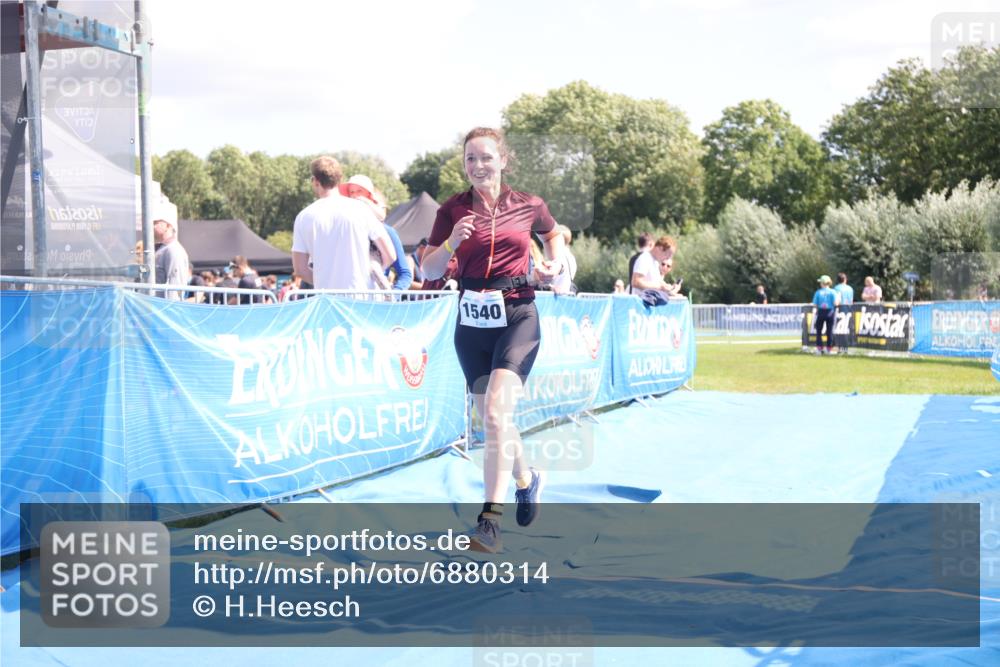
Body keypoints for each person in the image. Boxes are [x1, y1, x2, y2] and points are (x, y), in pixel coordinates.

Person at [421, 127, 564, 553]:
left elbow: (552, 233)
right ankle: (526, 477)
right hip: (471, 320)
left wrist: (554, 263)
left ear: (503, 160)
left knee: (499, 414)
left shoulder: (528, 205)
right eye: (470, 159)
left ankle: (489, 521)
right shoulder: (451, 210)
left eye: (486, 157)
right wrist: (450, 243)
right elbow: (429, 269)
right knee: (494, 421)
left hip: (518, 311)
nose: (478, 166)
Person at [291, 157, 396, 290]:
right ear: (339, 180)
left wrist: (324, 283)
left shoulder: (303, 217)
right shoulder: (361, 209)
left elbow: (300, 269)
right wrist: (370, 275)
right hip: (362, 296)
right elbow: (390, 255)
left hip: (327, 300)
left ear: (315, 181)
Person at [153, 202, 191, 300]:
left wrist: (169, 311)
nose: (153, 226)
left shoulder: (173, 250)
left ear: (168, 226)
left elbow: (175, 286)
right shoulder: (163, 249)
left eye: (156, 223)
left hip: (163, 310)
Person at [812, 275, 840, 354]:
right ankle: (829, 349)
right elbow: (836, 303)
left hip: (821, 312)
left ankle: (819, 348)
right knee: (829, 331)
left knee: (819, 331)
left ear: (822, 283)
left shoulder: (818, 292)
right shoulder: (833, 292)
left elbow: (815, 304)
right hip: (830, 312)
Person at [550, 225, 578, 295]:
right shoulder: (571, 257)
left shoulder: (558, 255)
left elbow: (552, 277)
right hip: (566, 295)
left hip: (556, 295)